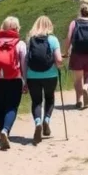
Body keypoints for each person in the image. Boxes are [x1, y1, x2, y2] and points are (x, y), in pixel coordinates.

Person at [0, 16, 27, 150]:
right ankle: (5, 131)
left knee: (1, 105)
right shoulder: (20, 44)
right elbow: (24, 64)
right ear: (17, 28)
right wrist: (26, 82)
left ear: (3, 27)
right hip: (14, 80)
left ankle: (2, 132)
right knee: (12, 106)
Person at [24, 15, 64, 144]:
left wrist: (24, 79)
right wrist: (60, 65)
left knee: (36, 101)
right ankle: (46, 120)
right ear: (50, 26)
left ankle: (37, 123)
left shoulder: (30, 40)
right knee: (50, 98)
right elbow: (58, 59)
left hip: (32, 75)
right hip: (50, 75)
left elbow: (26, 60)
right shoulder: (53, 39)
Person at [64, 4, 88, 109]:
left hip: (76, 54)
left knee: (77, 79)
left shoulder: (74, 23)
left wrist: (66, 51)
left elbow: (68, 38)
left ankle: (79, 101)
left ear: (80, 11)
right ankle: (86, 87)